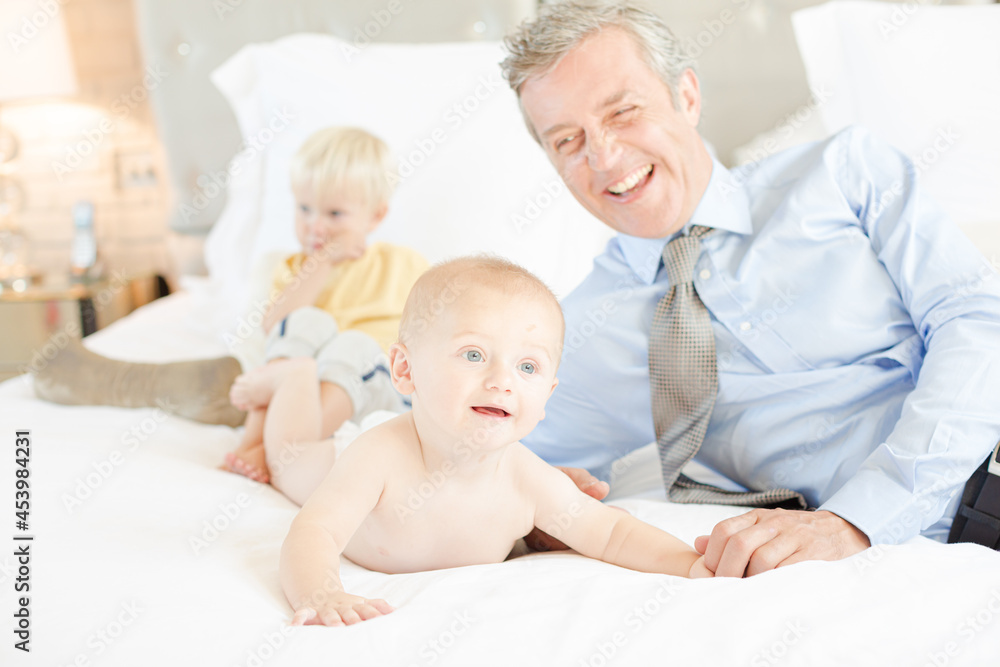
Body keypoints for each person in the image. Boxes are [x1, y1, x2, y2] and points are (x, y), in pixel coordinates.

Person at [500, 2, 1000, 576]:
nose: (605, 157)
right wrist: (527, 502)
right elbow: (462, 449)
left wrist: (860, 518)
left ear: (686, 96)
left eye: (623, 112)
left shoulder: (844, 174)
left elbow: (977, 321)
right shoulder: (573, 334)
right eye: (567, 140)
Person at [267, 257, 711, 626]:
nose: (502, 381)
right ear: (406, 369)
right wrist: (322, 592)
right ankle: (295, 372)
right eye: (474, 355)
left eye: (528, 367)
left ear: (547, 397)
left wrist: (690, 564)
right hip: (334, 456)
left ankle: (338, 366)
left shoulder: (528, 479)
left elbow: (611, 532)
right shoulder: (378, 455)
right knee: (286, 455)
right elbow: (314, 531)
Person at [224, 126, 428, 483]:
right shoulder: (294, 270)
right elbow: (278, 328)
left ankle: (281, 452)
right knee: (305, 322)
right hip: (304, 393)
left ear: (375, 216)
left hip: (376, 389)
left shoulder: (403, 264)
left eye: (334, 215)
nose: (315, 225)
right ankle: (254, 443)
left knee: (353, 344)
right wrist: (321, 262)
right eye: (304, 209)